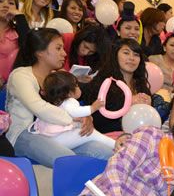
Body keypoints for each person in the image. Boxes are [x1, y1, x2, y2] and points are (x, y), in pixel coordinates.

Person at [6, 28, 113, 167]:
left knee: (106, 153)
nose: (64, 53)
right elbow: (40, 108)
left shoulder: (59, 75)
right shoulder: (20, 76)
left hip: (60, 132)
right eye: (58, 48)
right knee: (68, 161)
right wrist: (74, 119)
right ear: (40, 52)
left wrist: (86, 117)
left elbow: (71, 104)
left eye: (63, 48)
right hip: (25, 133)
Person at [27, 71, 114, 149]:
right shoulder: (69, 101)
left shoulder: (56, 103)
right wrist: (93, 108)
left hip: (49, 138)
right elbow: (76, 112)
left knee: (82, 127)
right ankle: (115, 144)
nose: (79, 87)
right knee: (92, 134)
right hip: (59, 138)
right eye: (76, 85)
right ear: (69, 93)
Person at [82, 38, 152, 133]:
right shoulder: (103, 82)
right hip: (108, 135)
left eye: (136, 55)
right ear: (115, 55)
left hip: (138, 135)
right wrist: (128, 103)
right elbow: (97, 120)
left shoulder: (141, 85)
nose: (132, 58)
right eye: (126, 53)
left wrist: (149, 106)